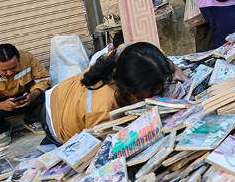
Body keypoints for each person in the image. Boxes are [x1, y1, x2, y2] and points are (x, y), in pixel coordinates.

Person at [42, 42, 180, 145]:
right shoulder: (102, 110)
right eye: (152, 88)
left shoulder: (128, 55)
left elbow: (157, 59)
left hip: (66, 92)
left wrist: (179, 74)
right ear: (130, 87)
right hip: (57, 120)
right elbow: (105, 145)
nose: (158, 90)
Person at [0, 44, 51, 147]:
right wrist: (1, 105)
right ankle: (2, 128)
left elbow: (44, 79)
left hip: (25, 99)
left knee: (52, 95)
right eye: (4, 71)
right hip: (0, 105)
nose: (10, 72)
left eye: (14, 67)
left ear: (19, 60)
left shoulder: (27, 58)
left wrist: (33, 95)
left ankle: (32, 119)